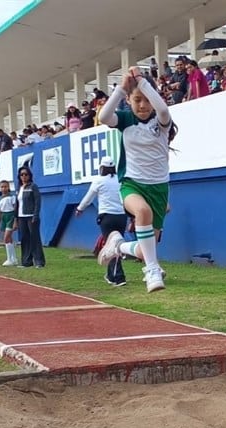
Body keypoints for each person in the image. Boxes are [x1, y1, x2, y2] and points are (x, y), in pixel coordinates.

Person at [97, 66, 174, 292]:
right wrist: (122, 89)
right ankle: (152, 271)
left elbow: (162, 108)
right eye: (137, 100)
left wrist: (141, 82)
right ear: (129, 101)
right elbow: (103, 117)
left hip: (159, 188)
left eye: (146, 100)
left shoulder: (161, 122)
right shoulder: (124, 119)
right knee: (142, 212)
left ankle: (119, 245)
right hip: (131, 183)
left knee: (144, 249)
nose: (142, 105)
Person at [75, 156, 127, 287]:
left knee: (112, 247)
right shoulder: (120, 179)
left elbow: (88, 197)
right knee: (116, 245)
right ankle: (111, 275)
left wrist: (80, 209)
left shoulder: (99, 180)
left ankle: (118, 277)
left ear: (101, 167)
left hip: (107, 217)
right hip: (121, 216)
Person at [15, 166, 45, 268]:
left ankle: (39, 261)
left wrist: (35, 216)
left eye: (26, 174)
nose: (23, 176)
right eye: (21, 174)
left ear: (29, 176)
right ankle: (26, 262)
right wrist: (16, 218)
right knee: (24, 239)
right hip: (21, 217)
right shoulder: (19, 188)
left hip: (31, 216)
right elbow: (17, 204)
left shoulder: (33, 186)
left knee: (35, 239)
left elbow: (37, 202)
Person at [0, 180, 18, 266]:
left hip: (11, 217)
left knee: (6, 238)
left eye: (5, 186)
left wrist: (15, 221)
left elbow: (15, 209)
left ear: (8, 187)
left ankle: (9, 259)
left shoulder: (12, 197)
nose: (4, 188)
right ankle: (14, 258)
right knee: (9, 239)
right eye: (2, 187)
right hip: (4, 218)